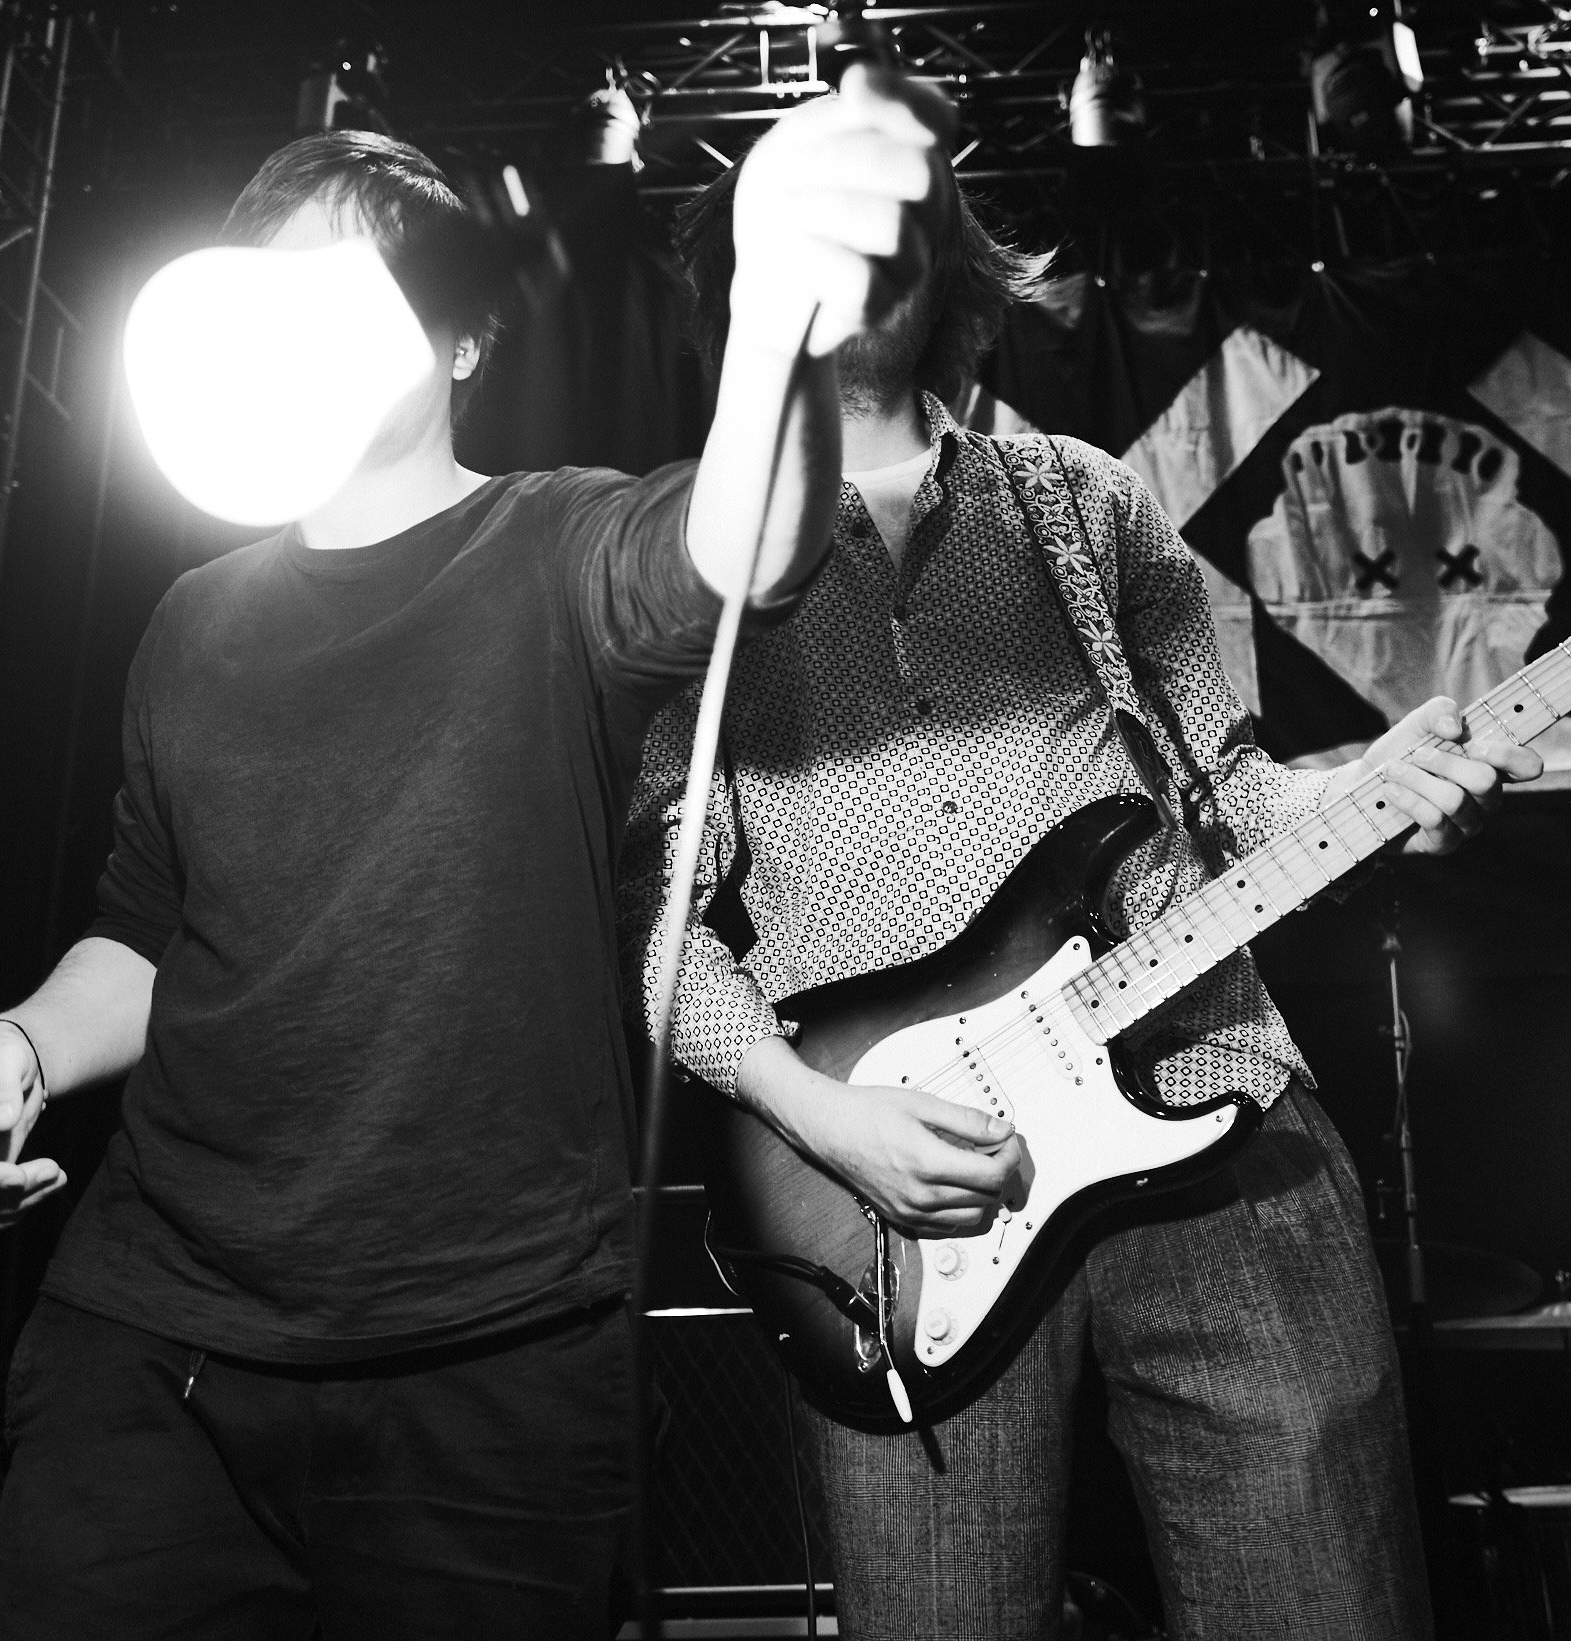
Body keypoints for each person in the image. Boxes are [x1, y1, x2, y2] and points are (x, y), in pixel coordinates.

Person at [0, 72, 948, 1641]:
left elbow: (747, 543)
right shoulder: (195, 616)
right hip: (155, 1343)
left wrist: (774, 325)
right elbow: (144, 932)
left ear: (461, 339)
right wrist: (18, 1039)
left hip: (488, 1368)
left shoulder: (553, 547)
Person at [620, 157, 1543, 1641]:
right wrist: (815, 1108)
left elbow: (1240, 797)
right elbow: (662, 929)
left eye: (891, 215)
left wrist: (1376, 781)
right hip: (896, 1201)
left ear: (952, 268)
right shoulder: (682, 574)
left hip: (1219, 1112)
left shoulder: (1079, 501)